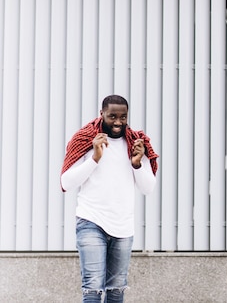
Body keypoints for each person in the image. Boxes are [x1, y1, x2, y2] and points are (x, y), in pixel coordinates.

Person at [61, 94, 159, 302]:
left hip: (123, 226)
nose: (117, 122)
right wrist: (95, 158)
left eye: (123, 117)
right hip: (91, 221)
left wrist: (137, 163)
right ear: (102, 114)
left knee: (116, 289)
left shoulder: (135, 143)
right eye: (112, 116)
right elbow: (66, 182)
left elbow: (148, 187)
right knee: (93, 288)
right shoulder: (87, 140)